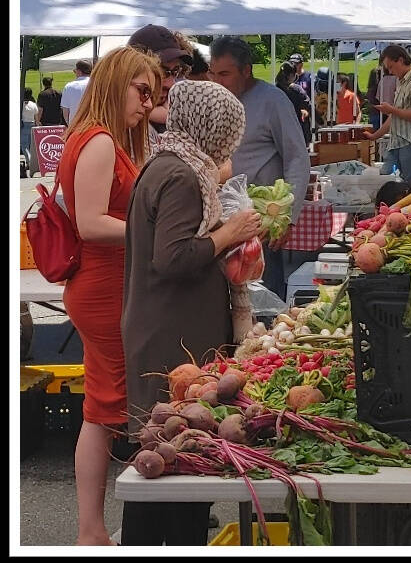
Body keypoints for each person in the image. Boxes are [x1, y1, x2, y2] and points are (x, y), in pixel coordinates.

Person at [121, 80, 262, 545]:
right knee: (171, 469)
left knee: (161, 470)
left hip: (163, 329)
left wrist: (227, 238)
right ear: (213, 131)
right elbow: (174, 257)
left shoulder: (169, 165)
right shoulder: (181, 175)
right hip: (170, 339)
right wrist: (229, 231)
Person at [56, 46, 162, 545]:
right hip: (103, 290)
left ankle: (93, 531)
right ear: (116, 82)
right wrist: (151, 230)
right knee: (107, 412)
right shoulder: (98, 141)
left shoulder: (95, 137)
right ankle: (94, 531)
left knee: (102, 410)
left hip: (102, 288)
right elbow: (90, 223)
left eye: (153, 95)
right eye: (143, 92)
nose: (147, 104)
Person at [208, 35, 311, 301]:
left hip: (260, 225)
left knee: (264, 302)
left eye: (225, 74)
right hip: (219, 224)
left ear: (246, 71)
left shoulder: (273, 101)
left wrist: (287, 216)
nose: (217, 81)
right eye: (213, 73)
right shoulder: (212, 101)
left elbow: (297, 158)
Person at [363, 45, 411, 189]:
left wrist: (391, 109)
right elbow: (395, 116)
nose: (391, 72)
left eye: (391, 67)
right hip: (396, 142)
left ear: (401, 60)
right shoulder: (401, 82)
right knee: (385, 181)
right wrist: (375, 136)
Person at [127, 24, 194, 147]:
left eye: (175, 71)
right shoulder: (121, 128)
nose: (171, 83)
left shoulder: (177, 115)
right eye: (161, 72)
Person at [276, 61, 313, 144]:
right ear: (291, 75)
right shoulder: (296, 89)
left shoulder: (274, 90)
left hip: (280, 130)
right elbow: (308, 104)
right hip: (298, 128)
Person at [60, 59, 92, 125]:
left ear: (79, 71)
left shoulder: (69, 87)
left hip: (75, 125)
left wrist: (69, 124)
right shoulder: (97, 84)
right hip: (93, 125)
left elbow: (65, 111)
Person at [21, 88, 39, 167]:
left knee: (24, 145)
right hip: (32, 125)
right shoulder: (33, 104)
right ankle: (30, 161)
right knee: (31, 145)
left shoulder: (21, 105)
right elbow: (36, 118)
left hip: (24, 125)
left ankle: (29, 160)